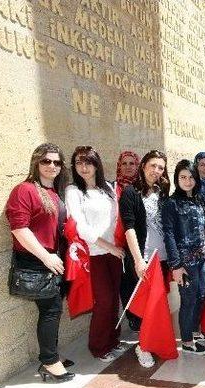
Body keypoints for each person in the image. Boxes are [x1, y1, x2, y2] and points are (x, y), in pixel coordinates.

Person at [5, 143, 74, 382]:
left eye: (56, 162)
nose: (51, 166)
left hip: (56, 260)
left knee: (53, 311)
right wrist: (45, 257)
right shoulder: (24, 190)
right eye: (46, 161)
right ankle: (49, 361)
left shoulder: (55, 192)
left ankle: (52, 354)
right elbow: (19, 228)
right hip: (38, 260)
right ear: (36, 162)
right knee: (50, 311)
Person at [65, 146, 125, 362]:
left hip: (115, 253)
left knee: (114, 300)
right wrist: (109, 247)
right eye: (78, 163)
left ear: (96, 164)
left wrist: (118, 247)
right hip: (93, 254)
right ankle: (99, 347)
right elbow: (81, 227)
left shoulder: (108, 188)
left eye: (87, 162)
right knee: (105, 301)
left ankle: (112, 340)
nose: (83, 167)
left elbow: (118, 220)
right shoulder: (74, 191)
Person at [119, 150, 171, 368]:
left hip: (163, 257)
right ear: (143, 166)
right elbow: (128, 227)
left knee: (157, 304)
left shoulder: (162, 191)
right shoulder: (131, 193)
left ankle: (151, 342)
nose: (156, 171)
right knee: (146, 307)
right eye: (152, 166)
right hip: (145, 258)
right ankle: (143, 347)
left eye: (160, 167)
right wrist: (139, 260)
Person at [162, 159, 205, 355]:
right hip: (184, 263)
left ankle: (192, 331)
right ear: (177, 179)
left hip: (201, 261)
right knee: (189, 300)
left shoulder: (201, 202)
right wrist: (175, 265)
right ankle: (186, 342)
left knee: (200, 296)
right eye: (183, 177)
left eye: (191, 177)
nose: (188, 181)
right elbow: (169, 235)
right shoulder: (171, 203)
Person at [113, 150, 142, 332]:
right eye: (125, 163)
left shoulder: (142, 186)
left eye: (132, 164)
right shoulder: (112, 188)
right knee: (127, 283)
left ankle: (144, 313)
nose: (128, 167)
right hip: (120, 242)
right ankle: (133, 317)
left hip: (141, 240)